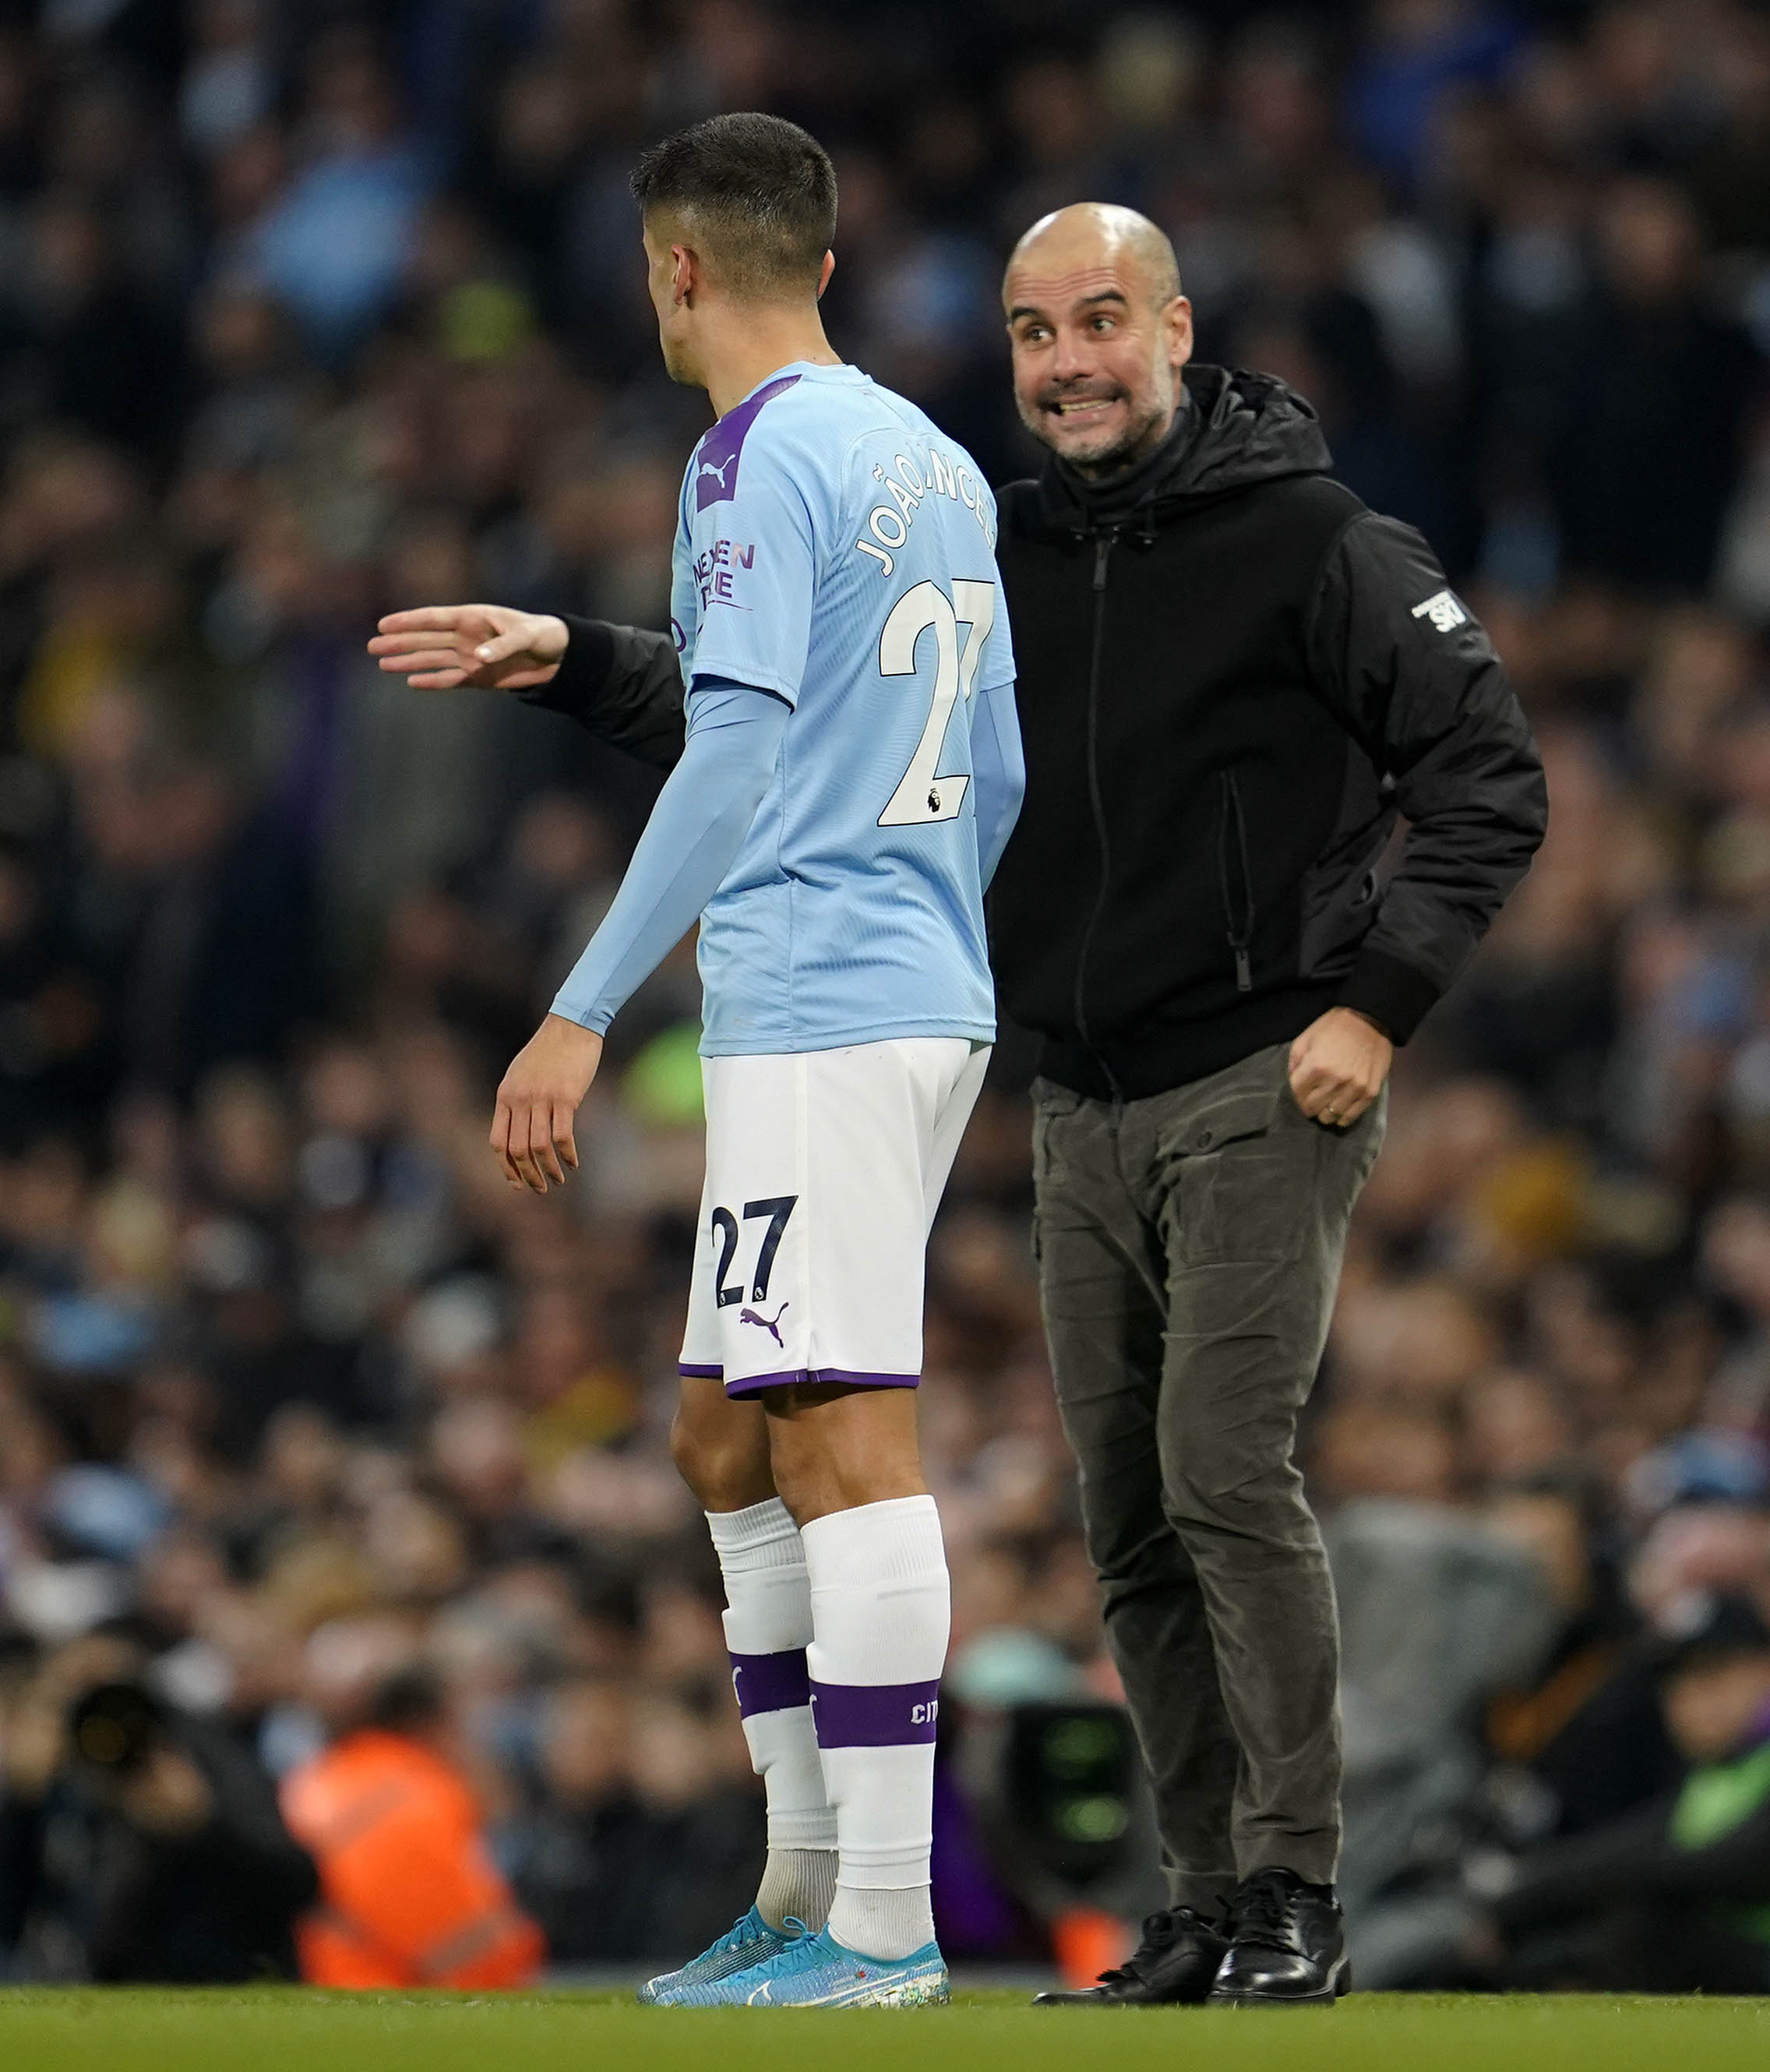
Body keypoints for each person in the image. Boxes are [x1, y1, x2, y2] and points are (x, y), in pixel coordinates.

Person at [369, 112, 1023, 2010]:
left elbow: (735, 748)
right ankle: (801, 1878)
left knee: (838, 1434)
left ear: (673, 268)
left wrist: (578, 1007)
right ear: (817, 258)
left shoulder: (744, 458)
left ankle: (881, 1924)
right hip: (897, 980)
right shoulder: (927, 456)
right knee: (721, 1432)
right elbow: (989, 761)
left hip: (820, 995)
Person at [1483, 1595, 1770, 1993]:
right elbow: (1627, 1847)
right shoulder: (1715, 1774)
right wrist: (1520, 1886)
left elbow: (1731, 1868)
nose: (1693, 1699)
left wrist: (1538, 1891)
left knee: (1642, 1932)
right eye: (1676, 1685)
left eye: (1712, 1675)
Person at [279, 1663, 543, 1990]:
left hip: (309, 1985)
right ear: (431, 1725)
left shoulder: (308, 1780)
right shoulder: (425, 1793)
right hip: (386, 1996)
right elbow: (481, 1949)